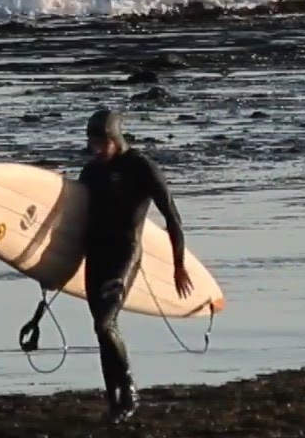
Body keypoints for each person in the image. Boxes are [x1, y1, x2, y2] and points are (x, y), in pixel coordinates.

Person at [78, 108, 193, 423]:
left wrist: (178, 264)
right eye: (92, 143)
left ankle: (128, 391)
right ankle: (113, 399)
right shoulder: (90, 173)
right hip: (95, 257)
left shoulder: (140, 167)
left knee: (106, 323)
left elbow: (171, 216)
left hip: (124, 256)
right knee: (101, 330)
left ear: (115, 139)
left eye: (101, 143)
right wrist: (53, 270)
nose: (96, 150)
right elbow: (74, 225)